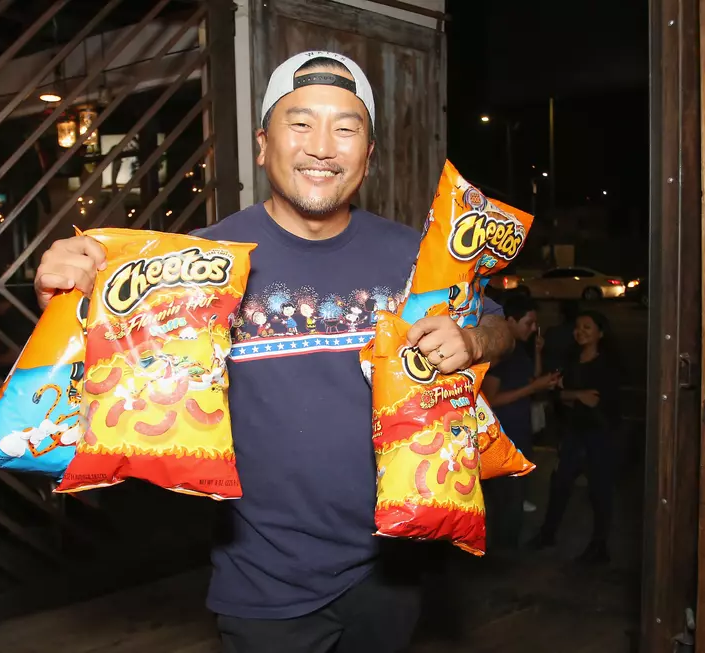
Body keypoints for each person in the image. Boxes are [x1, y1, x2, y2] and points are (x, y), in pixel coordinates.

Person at [32, 51, 514, 652]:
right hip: (264, 579)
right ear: (263, 144)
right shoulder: (193, 263)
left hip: (392, 566)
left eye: (346, 128)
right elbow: (93, 381)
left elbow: (503, 328)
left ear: (367, 154)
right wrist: (65, 300)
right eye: (300, 123)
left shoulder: (419, 260)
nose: (322, 146)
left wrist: (473, 339)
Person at [531, 310, 621, 565]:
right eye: (577, 327)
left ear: (601, 333)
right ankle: (547, 534)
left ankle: (599, 546)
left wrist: (572, 395)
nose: (579, 332)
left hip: (600, 433)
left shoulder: (608, 364)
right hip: (574, 431)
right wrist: (576, 395)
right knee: (560, 483)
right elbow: (557, 393)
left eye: (587, 328)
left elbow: (596, 400)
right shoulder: (571, 358)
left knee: (600, 490)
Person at [480, 294, 560, 551]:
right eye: (528, 323)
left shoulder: (520, 350)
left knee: (515, 498)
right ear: (510, 321)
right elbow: (490, 400)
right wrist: (532, 388)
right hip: (502, 439)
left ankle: (505, 551)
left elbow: (532, 380)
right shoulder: (500, 356)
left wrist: (537, 356)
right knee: (506, 501)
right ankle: (501, 557)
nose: (533, 329)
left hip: (520, 434)